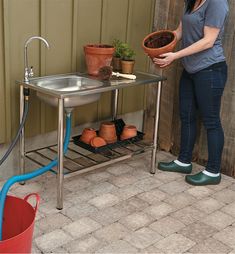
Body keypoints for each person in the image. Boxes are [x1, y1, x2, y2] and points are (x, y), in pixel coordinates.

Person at [153, 0, 229, 186]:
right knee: (186, 116)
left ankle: (213, 171)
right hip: (190, 69)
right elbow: (180, 31)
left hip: (210, 69)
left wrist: (176, 55)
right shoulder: (191, 1)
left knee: (211, 121)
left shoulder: (217, 3)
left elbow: (208, 41)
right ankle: (183, 161)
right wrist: (164, 47)